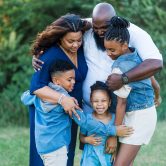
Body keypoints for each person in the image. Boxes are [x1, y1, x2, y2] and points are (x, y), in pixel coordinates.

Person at [32, 2, 162, 161]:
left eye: (104, 29)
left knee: (116, 159)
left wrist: (124, 80)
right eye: (96, 28)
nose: (99, 32)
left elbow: (154, 64)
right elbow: (62, 27)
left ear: (114, 22)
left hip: (122, 112)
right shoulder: (89, 28)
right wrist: (40, 50)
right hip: (93, 111)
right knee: (96, 158)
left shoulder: (132, 36)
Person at [22, 60, 133, 166]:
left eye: (74, 79)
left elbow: (25, 97)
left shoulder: (41, 94)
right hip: (57, 148)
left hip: (43, 146)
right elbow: (85, 122)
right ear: (56, 81)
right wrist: (113, 130)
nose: (73, 82)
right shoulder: (67, 101)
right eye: (69, 79)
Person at [28, 14, 91, 166]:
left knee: (66, 155)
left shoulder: (80, 49)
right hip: (50, 115)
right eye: (71, 41)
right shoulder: (49, 56)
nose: (76, 45)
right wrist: (63, 99)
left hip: (71, 110)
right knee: (46, 157)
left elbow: (96, 21)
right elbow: (36, 88)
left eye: (79, 40)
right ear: (60, 38)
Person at [104, 16, 157, 166]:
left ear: (124, 44)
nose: (108, 53)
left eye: (112, 49)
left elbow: (121, 103)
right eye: (106, 48)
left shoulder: (119, 68)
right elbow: (149, 76)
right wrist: (157, 93)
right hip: (141, 113)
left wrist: (114, 134)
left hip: (138, 118)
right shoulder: (135, 54)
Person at [80, 81, 134, 166]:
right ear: (91, 102)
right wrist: (87, 139)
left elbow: (120, 138)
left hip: (107, 157)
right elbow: (81, 136)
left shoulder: (115, 119)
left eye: (103, 101)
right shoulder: (87, 118)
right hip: (90, 158)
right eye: (95, 101)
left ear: (109, 102)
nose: (99, 104)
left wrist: (116, 152)